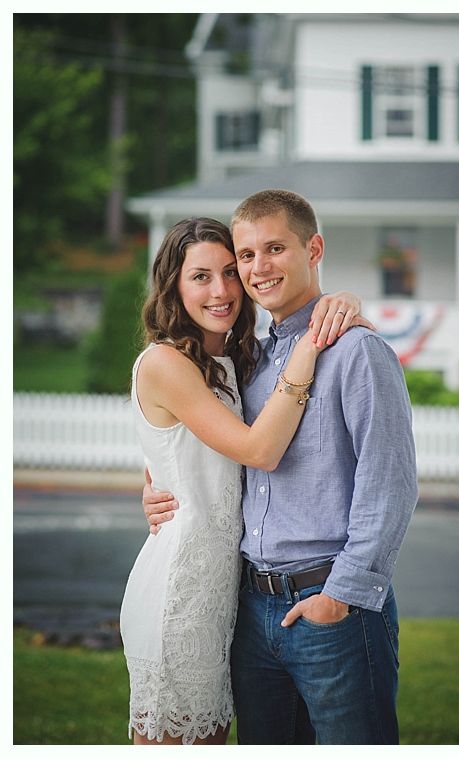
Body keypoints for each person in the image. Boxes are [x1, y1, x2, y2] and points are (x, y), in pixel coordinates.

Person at [142, 189, 419, 744]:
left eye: (274, 249)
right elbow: (200, 450)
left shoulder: (357, 352)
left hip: (329, 610)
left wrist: (339, 597)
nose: (257, 268)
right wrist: (155, 487)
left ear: (313, 248)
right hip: (249, 612)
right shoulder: (251, 361)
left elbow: (389, 487)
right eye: (246, 256)